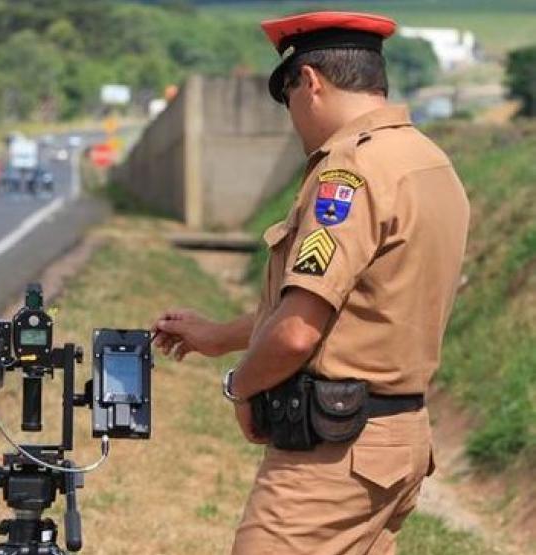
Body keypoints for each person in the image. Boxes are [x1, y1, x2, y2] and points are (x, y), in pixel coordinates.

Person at [151, 11, 469, 555]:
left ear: (311, 83)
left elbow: (299, 333)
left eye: (289, 97)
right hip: (395, 443)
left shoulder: (348, 174)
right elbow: (346, 305)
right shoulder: (428, 162)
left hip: (333, 458)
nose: (293, 116)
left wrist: (240, 385)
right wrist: (220, 334)